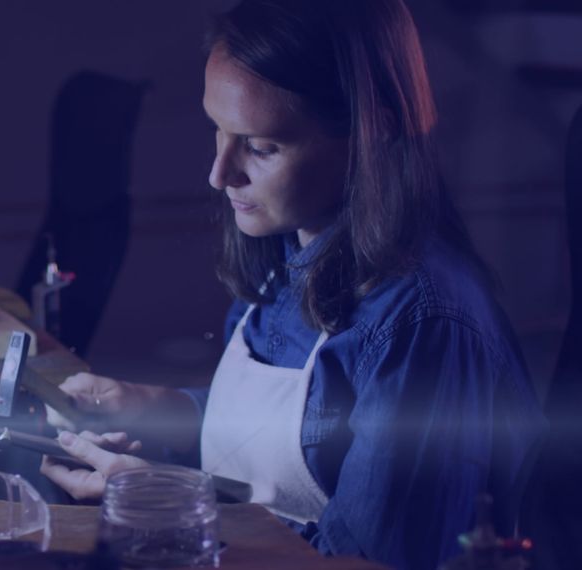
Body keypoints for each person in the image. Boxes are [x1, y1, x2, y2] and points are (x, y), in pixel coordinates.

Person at [39, 1, 546, 568]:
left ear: (366, 136)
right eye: (218, 131)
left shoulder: (424, 323)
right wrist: (153, 407)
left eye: (260, 147)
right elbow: (297, 432)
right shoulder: (288, 249)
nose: (219, 173)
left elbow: (364, 562)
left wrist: (170, 502)